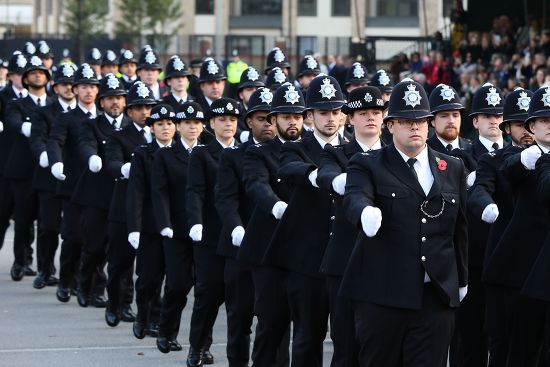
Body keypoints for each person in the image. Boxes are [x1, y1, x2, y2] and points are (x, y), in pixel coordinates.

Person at [340, 78, 468, 367]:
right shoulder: (368, 163)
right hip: (383, 294)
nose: (415, 127)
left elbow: (459, 228)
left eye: (421, 120)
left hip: (435, 294)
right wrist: (364, 213)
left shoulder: (451, 166)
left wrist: (461, 277)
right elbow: (355, 197)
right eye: (406, 120)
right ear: (391, 125)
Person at [263, 75, 345, 366]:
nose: (331, 118)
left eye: (336, 111)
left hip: (346, 260)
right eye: (324, 112)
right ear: (309, 115)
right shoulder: (296, 147)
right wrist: (316, 175)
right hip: (307, 261)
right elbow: (289, 168)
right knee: (308, 337)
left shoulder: (354, 149)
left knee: (347, 340)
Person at [317, 86, 386, 367]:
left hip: (386, 261)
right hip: (344, 260)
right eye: (363, 113)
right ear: (351, 118)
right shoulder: (337, 153)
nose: (370, 117)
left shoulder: (396, 155)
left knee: (382, 347)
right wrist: (341, 181)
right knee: (345, 347)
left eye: (376, 112)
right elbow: (326, 174)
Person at [239, 83, 305, 367]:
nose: (292, 122)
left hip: (304, 249)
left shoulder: (311, 150)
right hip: (268, 249)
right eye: (286, 116)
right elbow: (256, 185)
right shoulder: (259, 152)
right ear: (273, 120)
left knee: (306, 328)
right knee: (271, 323)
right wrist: (277, 206)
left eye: (297, 116)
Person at [469, 87, 536, 366]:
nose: (528, 130)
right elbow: (480, 189)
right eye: (520, 124)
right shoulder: (493, 160)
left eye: (533, 122)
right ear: (508, 128)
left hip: (540, 266)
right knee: (502, 344)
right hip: (506, 266)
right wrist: (486, 205)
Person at [214, 87, 276, 366]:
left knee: (274, 320)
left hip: (274, 249)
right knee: (239, 319)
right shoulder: (233, 155)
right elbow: (225, 199)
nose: (269, 124)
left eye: (273, 118)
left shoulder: (288, 153)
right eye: (262, 118)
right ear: (249, 121)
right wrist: (236, 227)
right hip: (240, 246)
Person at [185, 97, 240, 367]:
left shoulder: (245, 151)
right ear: (211, 123)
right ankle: (197, 346)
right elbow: (195, 190)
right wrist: (195, 221)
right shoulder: (202, 153)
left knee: (237, 298)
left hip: (238, 234)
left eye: (232, 119)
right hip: (210, 233)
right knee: (208, 293)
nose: (228, 124)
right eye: (222, 120)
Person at [454, 82, 506, 367]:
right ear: (475, 121)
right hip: (473, 256)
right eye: (487, 115)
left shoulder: (513, 152)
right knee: (470, 339)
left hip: (504, 256)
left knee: (502, 338)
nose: (494, 120)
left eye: (499, 115)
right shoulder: (462, 154)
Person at [104, 81, 157, 336]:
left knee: (150, 270)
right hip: (123, 208)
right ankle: (117, 303)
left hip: (152, 211)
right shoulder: (119, 136)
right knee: (119, 264)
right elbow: (111, 163)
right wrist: (127, 169)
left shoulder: (162, 134)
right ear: (129, 111)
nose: (145, 112)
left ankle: (149, 316)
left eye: (148, 106)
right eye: (139, 107)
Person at [151, 101, 204, 353]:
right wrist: (164, 224)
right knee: (178, 285)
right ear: (178, 126)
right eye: (186, 123)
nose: (192, 127)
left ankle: (201, 344)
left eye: (196, 123)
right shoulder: (166, 155)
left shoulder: (209, 152)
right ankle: (166, 331)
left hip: (206, 231)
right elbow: (159, 192)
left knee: (207, 290)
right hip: (177, 229)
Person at [47, 63, 102, 304]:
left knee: (98, 240)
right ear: (75, 89)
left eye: (92, 86)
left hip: (99, 188)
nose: (88, 91)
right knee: (73, 237)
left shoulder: (103, 119)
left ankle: (93, 286)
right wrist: (55, 163)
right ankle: (66, 280)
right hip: (72, 186)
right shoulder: (66, 118)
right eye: (83, 87)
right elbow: (55, 141)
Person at [126, 104, 176, 340]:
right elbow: (136, 192)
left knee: (172, 278)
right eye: (160, 124)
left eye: (169, 123)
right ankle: (143, 314)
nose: (165, 128)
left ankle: (158, 319)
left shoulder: (183, 151)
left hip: (177, 225)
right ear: (152, 128)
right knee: (148, 277)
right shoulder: (143, 153)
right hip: (150, 224)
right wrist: (134, 227)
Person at [29, 63, 77, 289]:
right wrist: (44, 156)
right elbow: (38, 137)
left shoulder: (85, 112)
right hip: (49, 177)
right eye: (64, 84)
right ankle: (45, 269)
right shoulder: (44, 111)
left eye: (72, 84)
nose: (69, 88)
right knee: (48, 226)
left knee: (74, 229)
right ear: (55, 87)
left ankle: (73, 274)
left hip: (75, 178)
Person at [4, 55, 52, 280]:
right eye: (32, 72)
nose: (37, 75)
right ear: (24, 78)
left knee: (47, 221)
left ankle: (46, 267)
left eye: (41, 72)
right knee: (23, 219)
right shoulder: (16, 104)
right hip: (22, 170)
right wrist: (32, 128)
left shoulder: (53, 104)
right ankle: (21, 260)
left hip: (47, 169)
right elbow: (14, 124)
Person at [0, 52, 28, 252]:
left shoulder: (37, 100)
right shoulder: (3, 97)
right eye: (17, 74)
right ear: (10, 76)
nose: (21, 77)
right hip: (4, 163)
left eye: (24, 73)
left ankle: (24, 258)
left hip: (27, 165)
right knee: (2, 213)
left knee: (24, 216)